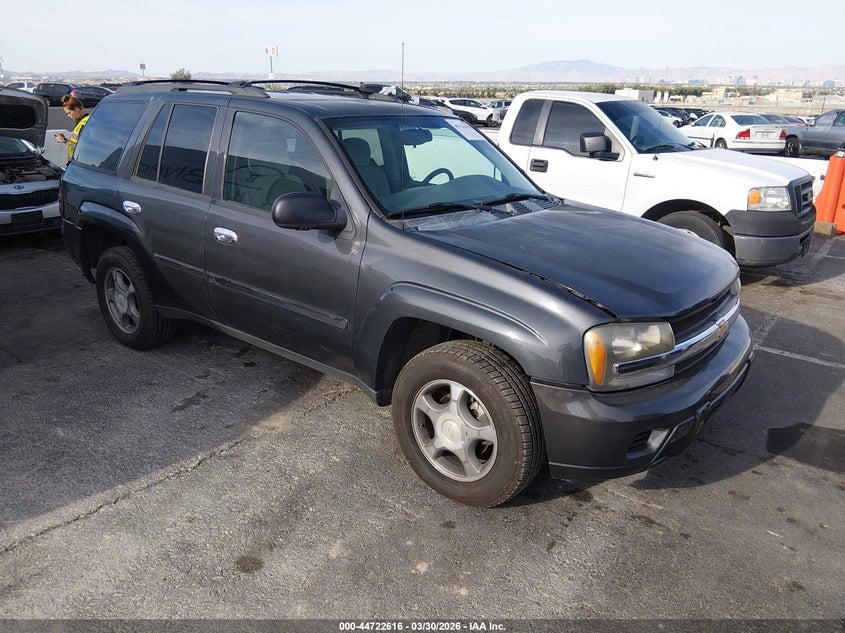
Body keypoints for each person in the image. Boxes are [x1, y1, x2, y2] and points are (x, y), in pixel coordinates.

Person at [53, 95, 90, 163]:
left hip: (80, 162)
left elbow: (84, 148)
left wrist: (64, 140)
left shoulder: (86, 123)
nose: (69, 116)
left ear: (76, 109)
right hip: (75, 161)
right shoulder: (81, 121)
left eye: (69, 113)